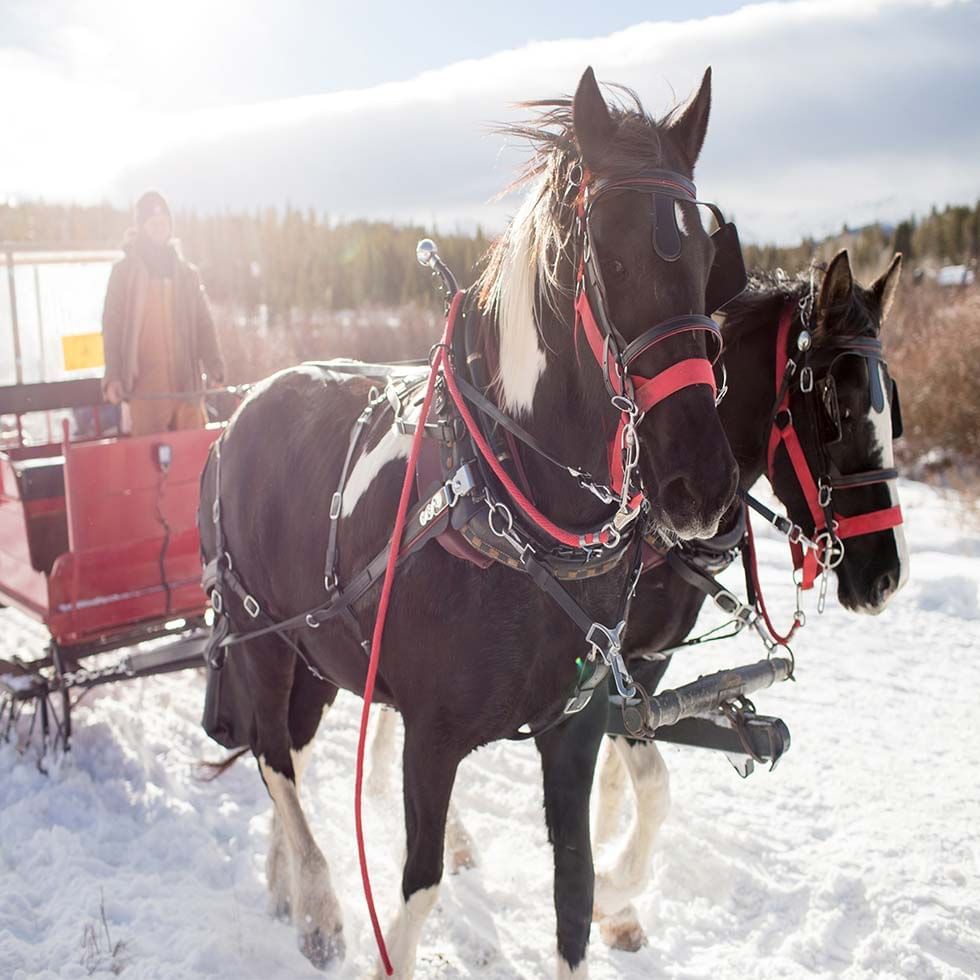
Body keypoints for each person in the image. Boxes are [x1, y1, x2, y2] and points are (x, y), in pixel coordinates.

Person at [101, 190, 225, 436]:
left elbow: (203, 323)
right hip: (146, 390)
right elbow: (111, 327)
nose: (160, 228)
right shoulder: (124, 273)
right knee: (150, 465)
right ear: (141, 226)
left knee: (195, 460)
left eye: (164, 222)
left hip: (186, 388)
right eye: (153, 223)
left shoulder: (186, 274)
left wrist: (214, 365)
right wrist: (113, 375)